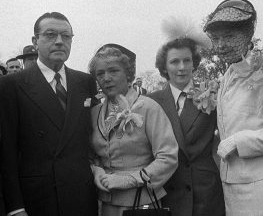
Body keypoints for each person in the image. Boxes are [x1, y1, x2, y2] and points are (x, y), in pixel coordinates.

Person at [204, 0, 263, 215]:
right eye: (216, 38)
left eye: (229, 36)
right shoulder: (227, 75)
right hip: (232, 185)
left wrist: (241, 141)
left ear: (247, 35)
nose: (221, 45)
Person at [0, 12, 98, 216]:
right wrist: (15, 207)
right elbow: (6, 151)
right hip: (36, 199)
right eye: (51, 35)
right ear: (35, 41)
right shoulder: (11, 85)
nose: (60, 42)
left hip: (81, 196)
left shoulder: (85, 82)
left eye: (66, 36)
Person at [88, 44, 178, 216]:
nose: (106, 78)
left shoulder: (148, 107)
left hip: (142, 203)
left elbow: (168, 157)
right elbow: (88, 156)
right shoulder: (94, 113)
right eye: (100, 74)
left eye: (113, 71)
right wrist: (96, 170)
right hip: (105, 203)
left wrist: (129, 179)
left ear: (128, 74)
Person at [148, 17, 225, 216]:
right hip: (168, 191)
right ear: (164, 67)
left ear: (194, 63)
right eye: (174, 61)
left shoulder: (212, 94)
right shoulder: (151, 102)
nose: (181, 67)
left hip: (206, 192)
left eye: (187, 60)